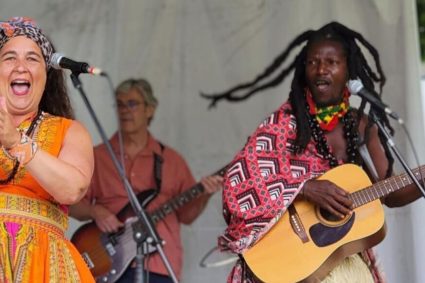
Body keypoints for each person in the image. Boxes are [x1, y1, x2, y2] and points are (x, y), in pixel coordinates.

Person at [202, 22, 423, 282]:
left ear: (349, 69)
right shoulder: (282, 125)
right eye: (313, 62)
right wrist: (304, 188)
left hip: (342, 259)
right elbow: (238, 180)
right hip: (287, 260)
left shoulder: (362, 125)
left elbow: (390, 192)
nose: (321, 70)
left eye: (331, 62)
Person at [70, 78, 223, 283]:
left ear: (150, 109)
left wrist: (205, 194)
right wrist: (95, 211)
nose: (125, 110)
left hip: (160, 264)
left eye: (132, 104)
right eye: (120, 104)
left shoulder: (172, 160)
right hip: (107, 263)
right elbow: (71, 204)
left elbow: (187, 216)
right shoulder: (97, 156)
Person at [0, 17, 95, 282]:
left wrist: (15, 142)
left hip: (43, 265)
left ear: (46, 73)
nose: (21, 67)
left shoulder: (70, 131)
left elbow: (72, 189)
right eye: (9, 58)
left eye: (32, 58)